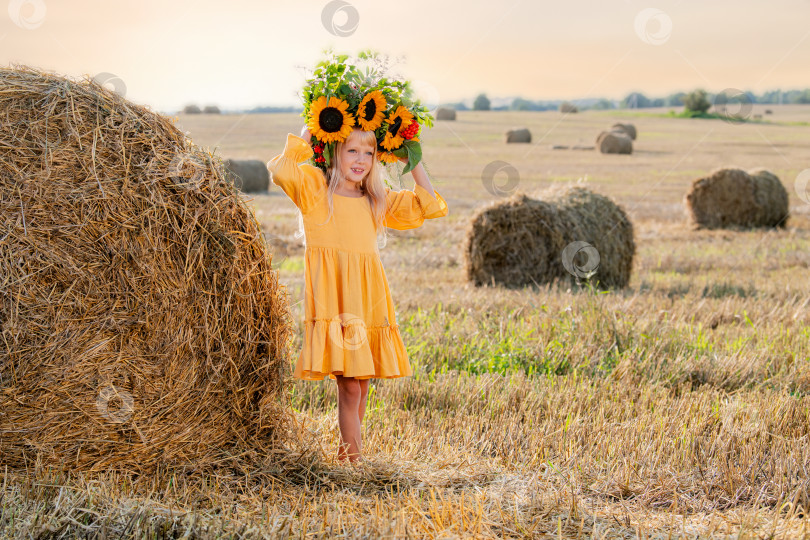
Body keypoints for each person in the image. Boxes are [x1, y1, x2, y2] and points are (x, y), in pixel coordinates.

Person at [267, 124, 448, 463]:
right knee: (350, 385)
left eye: (370, 152)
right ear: (333, 150)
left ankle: (348, 457)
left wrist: (412, 152)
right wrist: (314, 127)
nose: (361, 159)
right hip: (334, 298)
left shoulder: (376, 198)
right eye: (352, 150)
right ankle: (351, 461)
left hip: (367, 297)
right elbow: (280, 169)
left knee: (361, 384)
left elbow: (429, 206)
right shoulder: (315, 189)